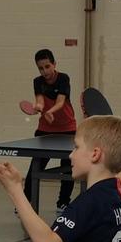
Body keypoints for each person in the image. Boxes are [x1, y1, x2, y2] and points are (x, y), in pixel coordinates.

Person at [29, 49, 79, 210]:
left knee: (68, 169)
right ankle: (26, 201)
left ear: (54, 64)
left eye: (47, 66)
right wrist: (38, 107)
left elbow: (61, 101)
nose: (45, 71)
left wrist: (50, 111)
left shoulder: (63, 78)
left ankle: (63, 202)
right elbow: (40, 101)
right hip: (45, 130)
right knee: (36, 167)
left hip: (67, 129)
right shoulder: (37, 81)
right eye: (41, 68)